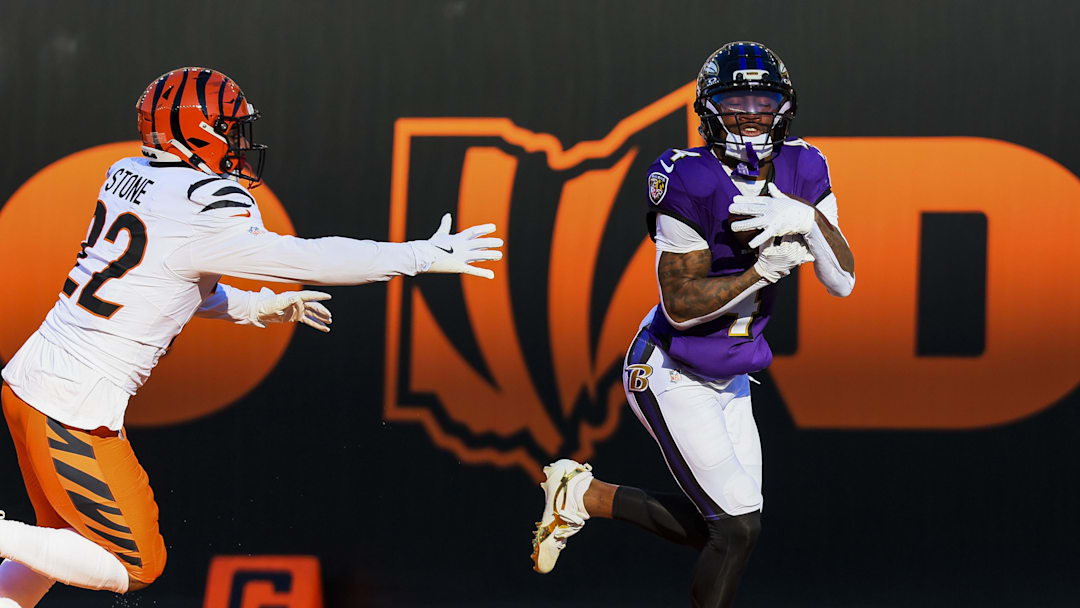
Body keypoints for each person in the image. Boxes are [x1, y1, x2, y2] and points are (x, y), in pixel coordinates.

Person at [0, 67, 502, 606]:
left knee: (57, 545)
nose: (240, 143)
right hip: (73, 406)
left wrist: (258, 305)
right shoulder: (206, 202)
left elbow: (165, 283)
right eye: (229, 129)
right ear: (198, 133)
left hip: (32, 383)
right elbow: (307, 259)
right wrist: (419, 255)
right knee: (135, 563)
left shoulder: (127, 172)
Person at [530, 42, 855, 607]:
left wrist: (807, 218)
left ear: (784, 107)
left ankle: (581, 495)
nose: (750, 115)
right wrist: (760, 272)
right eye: (735, 102)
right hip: (671, 366)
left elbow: (842, 280)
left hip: (732, 371)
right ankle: (580, 496)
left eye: (763, 101)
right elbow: (680, 304)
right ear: (709, 109)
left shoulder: (806, 166)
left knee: (733, 525)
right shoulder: (687, 177)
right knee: (734, 529)